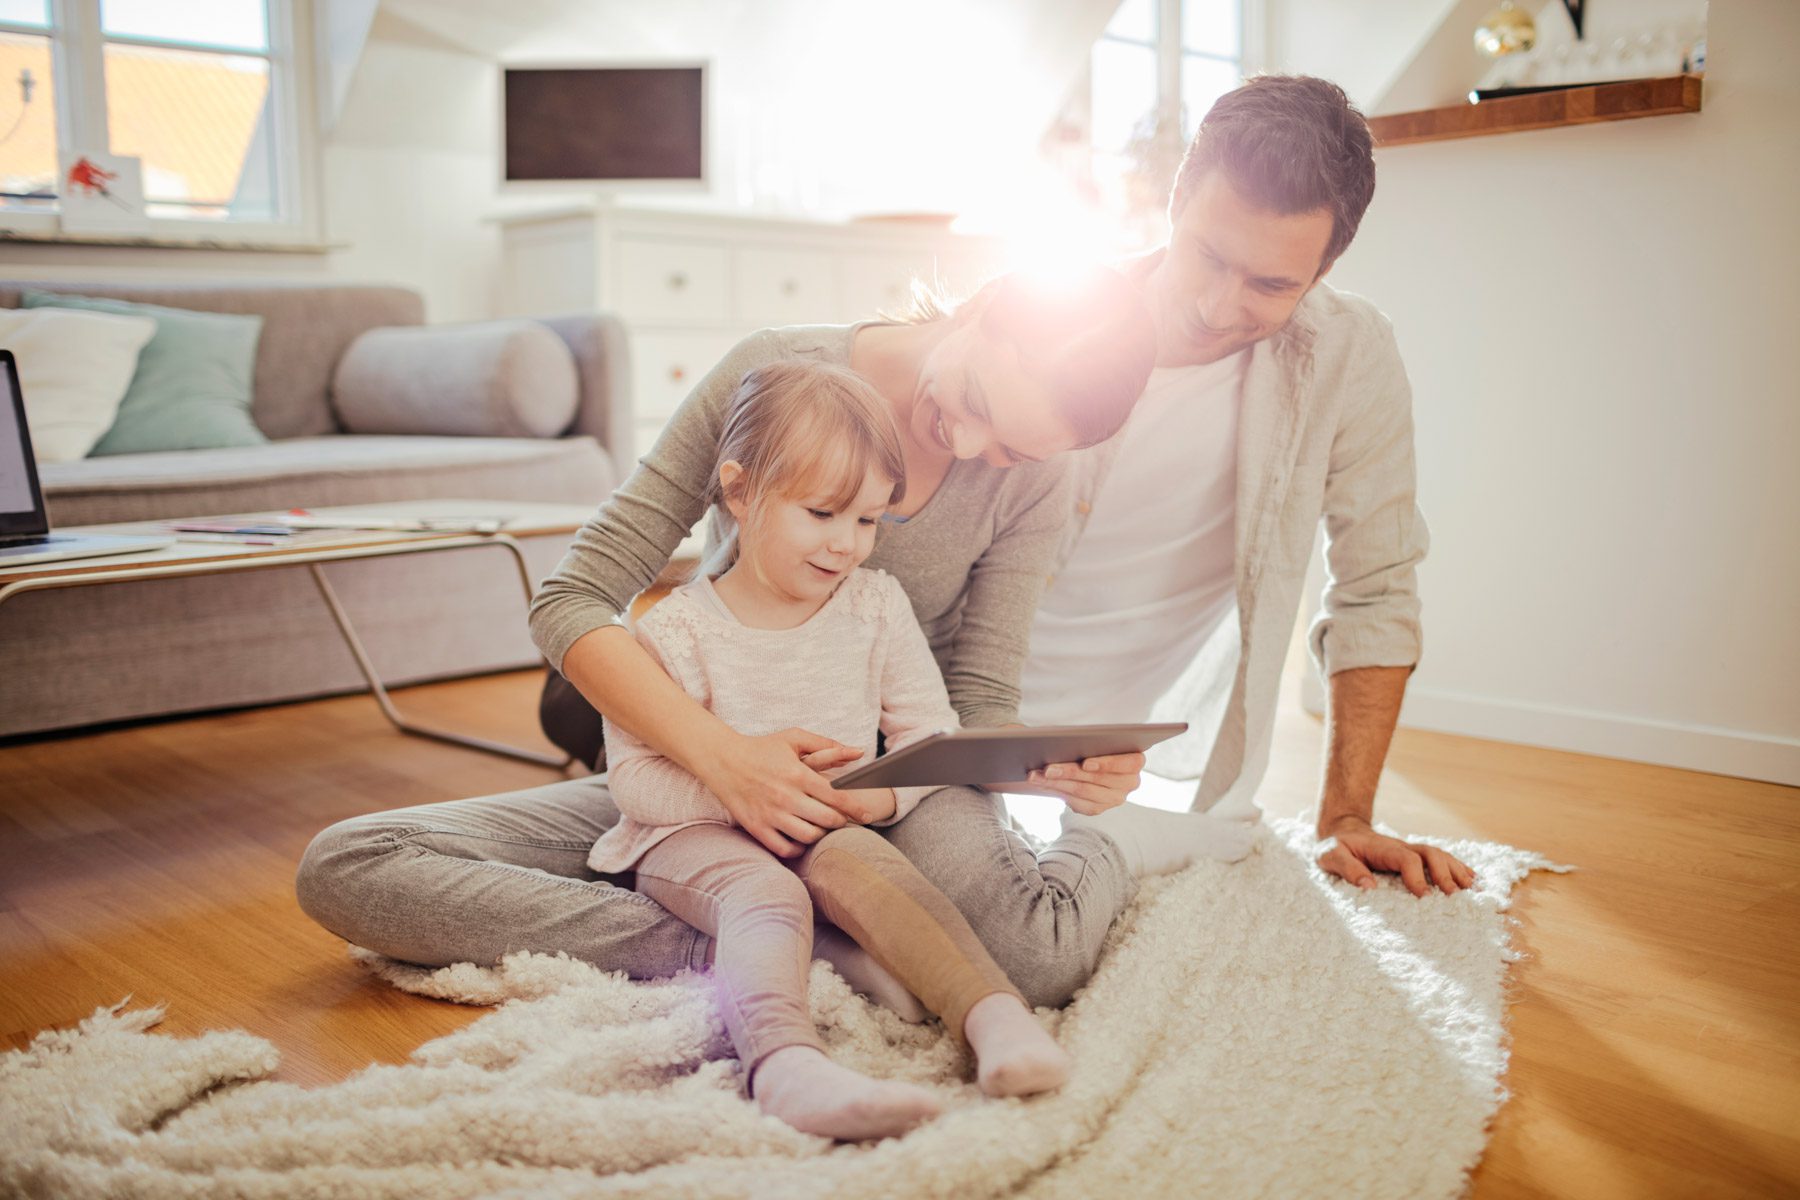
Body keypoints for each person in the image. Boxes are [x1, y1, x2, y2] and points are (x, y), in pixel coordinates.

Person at [297, 263, 1195, 1011]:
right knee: (354, 865)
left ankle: (1082, 854)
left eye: (1010, 449)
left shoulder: (1038, 477)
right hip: (707, 761)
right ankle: (796, 934)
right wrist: (726, 762)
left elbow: (978, 693)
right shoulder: (774, 371)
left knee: (1038, 960)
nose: (967, 442)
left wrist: (1036, 763)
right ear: (984, 308)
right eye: (972, 401)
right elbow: (573, 597)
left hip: (895, 779)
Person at [1020, 74, 1476, 898]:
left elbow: (1375, 588)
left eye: (1271, 286)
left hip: (1115, 776)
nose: (1215, 306)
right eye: (1209, 256)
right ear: (1177, 199)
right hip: (945, 719)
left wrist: (1346, 818)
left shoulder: (1349, 356)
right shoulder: (1052, 318)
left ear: (1325, 268)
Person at [597, 360, 1069, 1140]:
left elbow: (926, 733)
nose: (846, 544)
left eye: (867, 520)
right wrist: (746, 793)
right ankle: (787, 1067)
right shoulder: (674, 633)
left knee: (876, 868)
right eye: (821, 513)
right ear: (740, 492)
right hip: (690, 834)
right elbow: (637, 784)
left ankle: (997, 1021)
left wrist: (877, 800)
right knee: (766, 895)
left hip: (827, 821)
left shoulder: (876, 606)